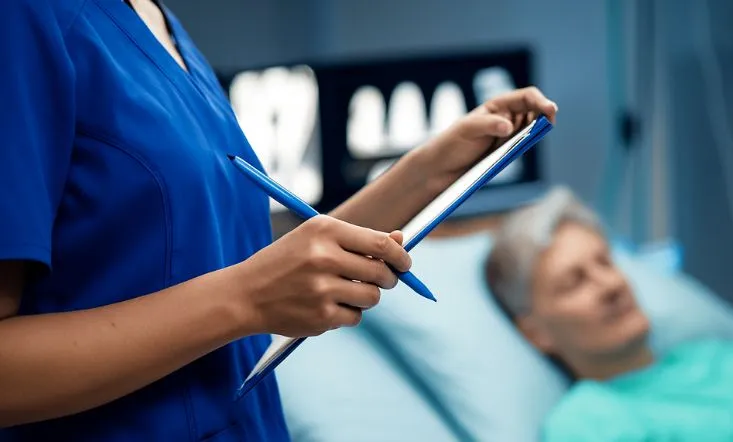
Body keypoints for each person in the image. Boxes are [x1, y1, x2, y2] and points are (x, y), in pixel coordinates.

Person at [0, 0, 558, 440]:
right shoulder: (25, 18)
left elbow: (232, 270)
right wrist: (246, 299)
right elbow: (241, 290)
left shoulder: (154, 21)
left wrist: (432, 170)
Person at [484, 186, 733, 442]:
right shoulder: (587, 423)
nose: (611, 285)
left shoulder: (716, 354)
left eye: (605, 263)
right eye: (575, 282)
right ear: (536, 333)